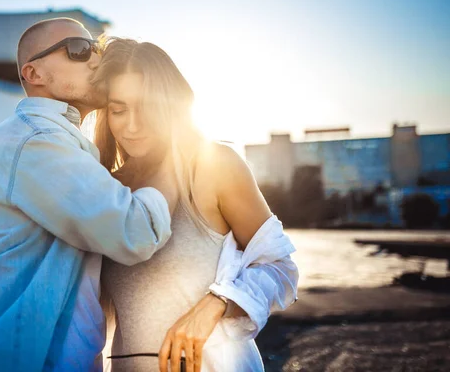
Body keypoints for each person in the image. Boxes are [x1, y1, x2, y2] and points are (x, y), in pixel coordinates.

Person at [0, 18, 180, 371]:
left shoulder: (59, 142)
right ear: (34, 73)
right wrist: (175, 157)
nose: (94, 59)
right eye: (78, 49)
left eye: (95, 49)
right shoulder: (36, 141)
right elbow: (136, 231)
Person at [94, 38, 299, 372]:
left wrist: (217, 301)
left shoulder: (214, 165)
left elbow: (282, 270)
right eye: (119, 110)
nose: (132, 125)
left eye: (147, 108)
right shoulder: (105, 187)